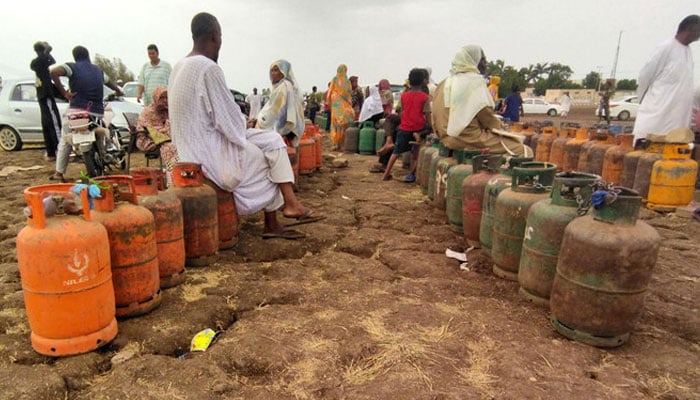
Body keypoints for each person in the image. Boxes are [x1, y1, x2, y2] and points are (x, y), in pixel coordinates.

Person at [169, 12, 323, 240]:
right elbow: (230, 122)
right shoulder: (208, 69)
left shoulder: (178, 67)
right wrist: (245, 123)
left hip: (192, 147)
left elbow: (223, 119)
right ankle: (275, 219)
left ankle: (290, 205)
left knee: (272, 140)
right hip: (209, 153)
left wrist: (245, 125)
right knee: (264, 158)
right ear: (215, 37)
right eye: (220, 38)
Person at [433, 45, 531, 157]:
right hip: (468, 139)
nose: (486, 64)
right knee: (522, 149)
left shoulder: (443, 84)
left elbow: (434, 118)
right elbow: (488, 119)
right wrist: (503, 129)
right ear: (474, 61)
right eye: (483, 60)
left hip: (445, 138)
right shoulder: (474, 82)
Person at [48, 46, 123, 182]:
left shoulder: (72, 67)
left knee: (65, 140)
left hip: (76, 112)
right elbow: (110, 83)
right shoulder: (98, 70)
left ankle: (59, 172)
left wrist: (64, 92)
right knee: (101, 132)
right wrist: (118, 91)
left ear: (75, 57)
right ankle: (104, 157)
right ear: (88, 56)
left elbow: (53, 72)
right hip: (96, 113)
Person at [633, 15, 700, 144]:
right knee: (647, 150)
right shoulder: (666, 48)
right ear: (691, 29)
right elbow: (645, 76)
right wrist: (644, 102)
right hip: (657, 114)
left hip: (678, 119)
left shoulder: (688, 51)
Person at [381, 68, 431, 183]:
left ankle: (385, 174)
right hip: (418, 126)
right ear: (423, 81)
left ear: (409, 81)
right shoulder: (425, 97)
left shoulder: (404, 96)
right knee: (418, 152)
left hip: (404, 127)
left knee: (396, 152)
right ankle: (411, 174)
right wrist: (431, 127)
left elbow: (403, 112)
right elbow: (428, 115)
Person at [255, 60, 305, 147]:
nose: (272, 73)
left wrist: (260, 118)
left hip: (281, 127)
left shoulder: (284, 86)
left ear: (283, 73)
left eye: (276, 70)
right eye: (272, 70)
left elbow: (276, 110)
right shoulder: (280, 86)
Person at [136, 86, 178, 186]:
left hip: (163, 139)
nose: (165, 101)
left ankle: (175, 175)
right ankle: (172, 182)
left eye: (167, 98)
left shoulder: (167, 111)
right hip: (147, 140)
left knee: (177, 147)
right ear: (155, 98)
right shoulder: (148, 112)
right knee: (169, 149)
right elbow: (148, 130)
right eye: (162, 98)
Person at [30, 41, 61, 161]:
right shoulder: (37, 62)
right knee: (53, 123)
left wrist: (46, 51)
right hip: (46, 95)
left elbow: (52, 61)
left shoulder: (42, 62)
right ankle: (59, 150)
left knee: (47, 123)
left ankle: (51, 152)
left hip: (44, 95)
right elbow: (47, 59)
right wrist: (46, 49)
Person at [328, 64, 355, 151]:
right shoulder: (347, 82)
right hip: (345, 107)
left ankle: (336, 144)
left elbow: (329, 93)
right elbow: (348, 94)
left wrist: (330, 103)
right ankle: (343, 145)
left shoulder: (334, 79)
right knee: (344, 125)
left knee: (335, 125)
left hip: (336, 106)